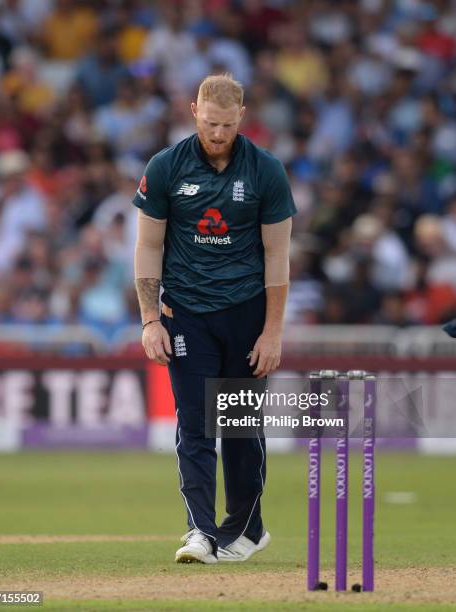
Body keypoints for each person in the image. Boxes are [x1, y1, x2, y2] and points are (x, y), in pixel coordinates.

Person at [134, 74, 296, 564]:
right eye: (209, 123)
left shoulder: (266, 170)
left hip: (247, 314)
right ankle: (200, 533)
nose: (218, 133)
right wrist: (149, 321)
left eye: (226, 125)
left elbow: (278, 256)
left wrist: (272, 333)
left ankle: (246, 530)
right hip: (185, 313)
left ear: (241, 117)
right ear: (193, 112)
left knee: (242, 426)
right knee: (196, 425)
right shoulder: (165, 167)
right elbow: (148, 245)